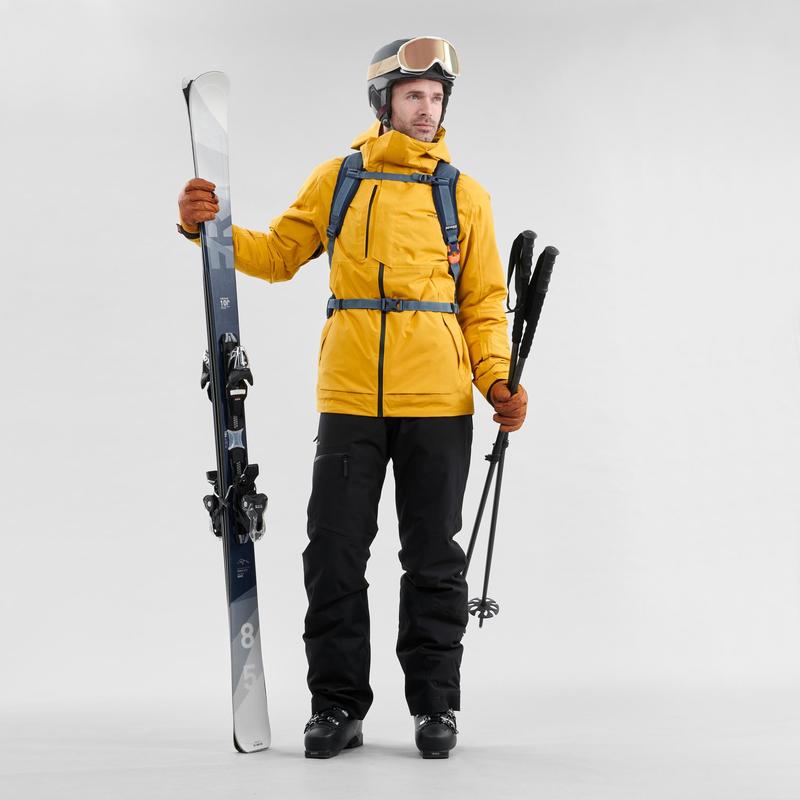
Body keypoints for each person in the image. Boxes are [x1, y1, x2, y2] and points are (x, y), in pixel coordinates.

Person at [177, 36, 528, 759]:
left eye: (436, 97)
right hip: (350, 399)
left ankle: (436, 706)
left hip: (438, 404)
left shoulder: (464, 195)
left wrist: (496, 379)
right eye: (413, 95)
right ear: (383, 101)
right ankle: (336, 705)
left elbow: (484, 303)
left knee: (433, 559)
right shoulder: (338, 179)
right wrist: (205, 226)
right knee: (333, 553)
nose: (426, 109)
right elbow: (279, 254)